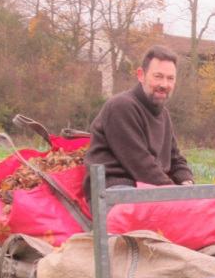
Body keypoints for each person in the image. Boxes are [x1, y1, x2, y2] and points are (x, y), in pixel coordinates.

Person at [83, 45, 194, 202]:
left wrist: (188, 184)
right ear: (141, 75)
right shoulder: (121, 106)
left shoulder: (163, 114)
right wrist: (175, 193)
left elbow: (176, 159)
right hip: (115, 192)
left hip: (149, 190)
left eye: (170, 78)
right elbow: (141, 164)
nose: (164, 84)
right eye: (158, 76)